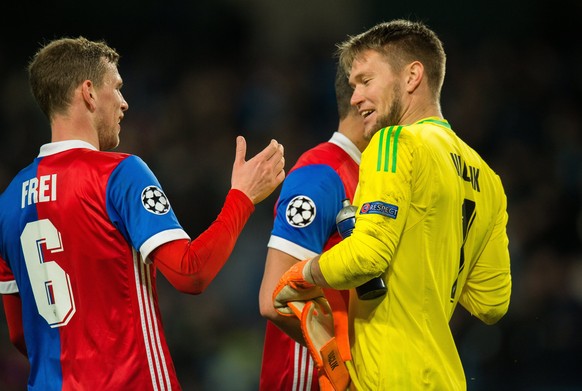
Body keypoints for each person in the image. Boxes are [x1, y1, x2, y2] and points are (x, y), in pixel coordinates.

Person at [0, 36, 285, 390]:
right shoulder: (119, 174)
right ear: (89, 93)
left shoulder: (8, 202)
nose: (124, 103)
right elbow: (191, 272)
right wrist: (242, 197)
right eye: (116, 88)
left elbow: (19, 333)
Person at [273, 19, 512, 390]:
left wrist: (300, 275)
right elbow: (492, 302)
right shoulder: (488, 180)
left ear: (412, 76)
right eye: (353, 87)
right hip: (446, 377)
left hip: (388, 376)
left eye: (366, 81)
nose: (354, 98)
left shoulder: (394, 142)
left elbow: (367, 257)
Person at [258, 65, 368, 390]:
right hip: (308, 379)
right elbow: (274, 299)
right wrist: (341, 370)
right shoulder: (323, 174)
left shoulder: (372, 176)